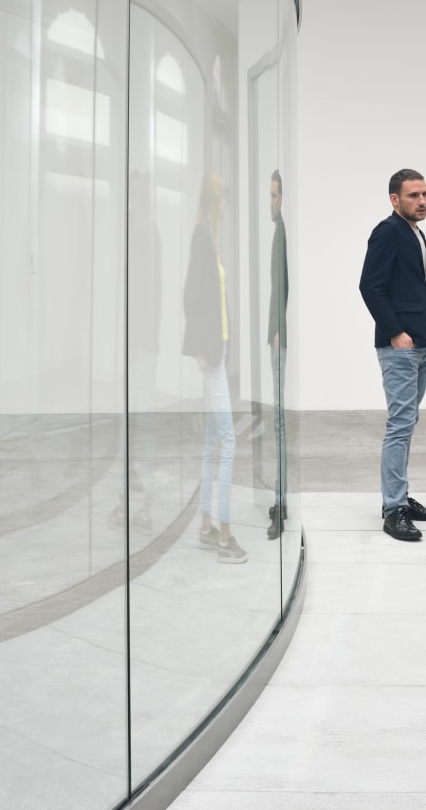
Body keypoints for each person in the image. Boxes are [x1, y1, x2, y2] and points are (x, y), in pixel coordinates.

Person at [358, 169, 426, 542]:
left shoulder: (416, 233)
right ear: (395, 199)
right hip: (401, 347)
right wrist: (396, 332)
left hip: (423, 344)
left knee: (407, 423)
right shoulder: (388, 231)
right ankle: (393, 509)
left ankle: (400, 498)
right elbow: (369, 286)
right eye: (413, 195)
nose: (422, 201)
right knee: (399, 424)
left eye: (425, 194)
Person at [185, 170, 245, 564]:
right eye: (222, 198)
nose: (225, 205)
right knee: (228, 440)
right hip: (213, 356)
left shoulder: (211, 236)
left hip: (217, 352)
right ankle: (224, 533)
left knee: (212, 443)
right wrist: (203, 350)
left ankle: (206, 525)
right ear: (213, 199)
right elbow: (191, 294)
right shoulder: (202, 234)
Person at [266, 170, 289, 541]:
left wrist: (276, 331)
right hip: (278, 334)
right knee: (278, 421)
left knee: (280, 422)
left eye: (274, 196)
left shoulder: (283, 231)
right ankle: (279, 497)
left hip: (280, 338)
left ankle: (281, 500)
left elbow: (282, 287)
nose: (270, 203)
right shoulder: (278, 231)